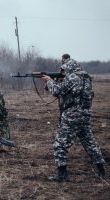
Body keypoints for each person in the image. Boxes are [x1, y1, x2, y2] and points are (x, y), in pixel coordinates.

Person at [41, 53, 106, 182]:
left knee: (60, 144)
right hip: (85, 114)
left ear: (69, 67)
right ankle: (101, 169)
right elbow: (73, 92)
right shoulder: (86, 77)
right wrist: (57, 82)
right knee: (89, 142)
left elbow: (57, 92)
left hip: (72, 116)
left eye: (64, 69)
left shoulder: (72, 78)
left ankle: (62, 173)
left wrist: (49, 81)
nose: (64, 71)